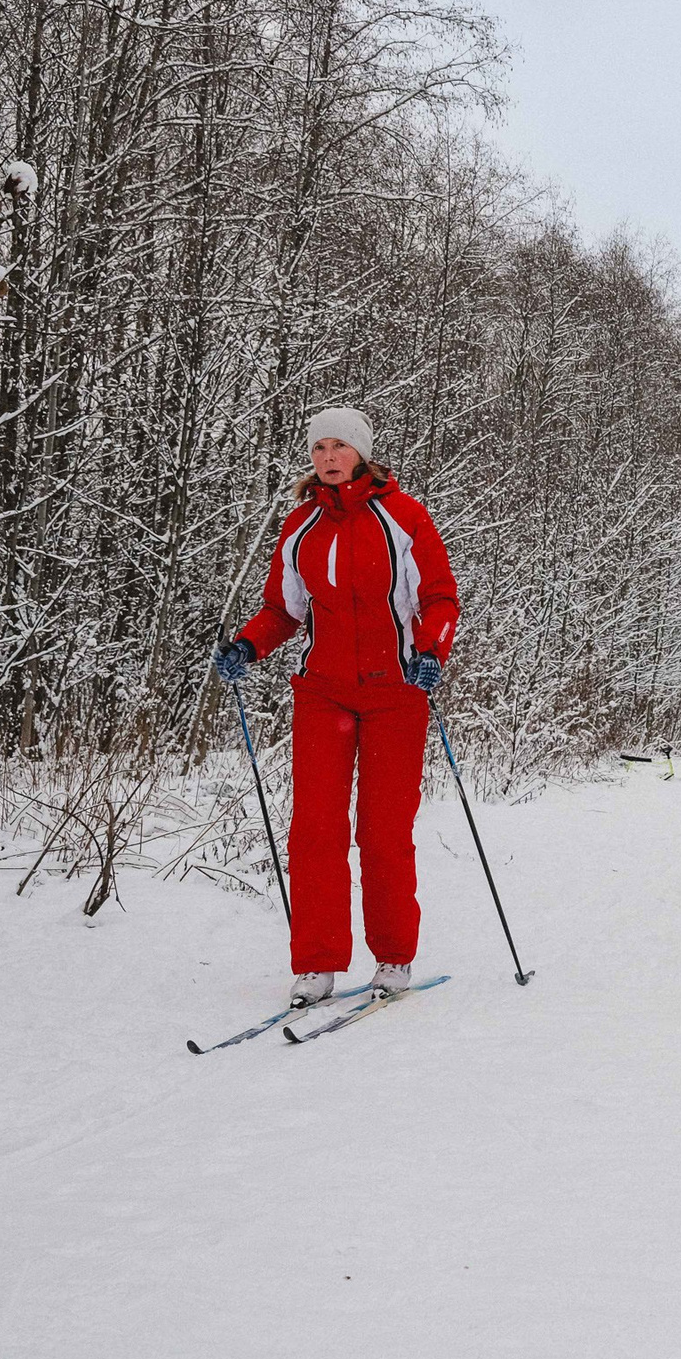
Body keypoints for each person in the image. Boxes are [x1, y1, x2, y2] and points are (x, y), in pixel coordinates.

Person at [214, 407, 458, 1007]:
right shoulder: (301, 526)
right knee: (316, 829)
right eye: (319, 447)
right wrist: (249, 644)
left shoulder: (403, 517)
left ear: (361, 454)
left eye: (337, 447)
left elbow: (440, 597)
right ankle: (317, 964)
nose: (327, 456)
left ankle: (394, 957)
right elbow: (283, 610)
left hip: (395, 694)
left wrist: (430, 651)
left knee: (383, 830)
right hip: (322, 692)